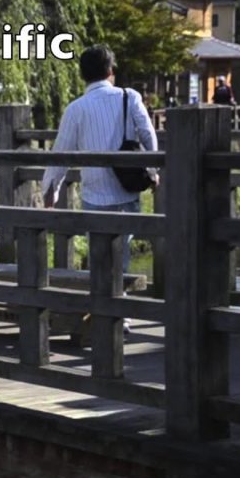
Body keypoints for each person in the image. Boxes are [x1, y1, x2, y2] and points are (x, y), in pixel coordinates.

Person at [41, 45, 158, 334]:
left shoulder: (76, 109)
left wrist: (51, 188)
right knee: (123, 252)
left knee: (99, 254)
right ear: (111, 71)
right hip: (127, 189)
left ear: (82, 75)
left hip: (94, 193)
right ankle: (123, 314)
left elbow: (62, 152)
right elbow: (148, 134)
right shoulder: (130, 97)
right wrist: (153, 171)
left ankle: (104, 311)